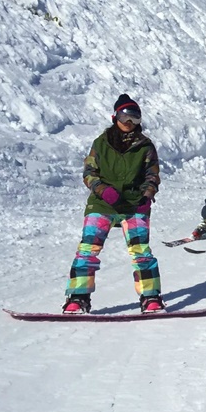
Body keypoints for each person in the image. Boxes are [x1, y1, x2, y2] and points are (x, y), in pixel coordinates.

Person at [62, 93, 164, 314]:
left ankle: (151, 297)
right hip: (102, 204)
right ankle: (78, 298)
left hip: (134, 205)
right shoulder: (101, 144)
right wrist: (102, 190)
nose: (129, 123)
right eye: (125, 116)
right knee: (87, 250)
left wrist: (147, 196)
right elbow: (89, 172)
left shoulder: (145, 146)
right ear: (114, 116)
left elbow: (152, 175)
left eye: (135, 118)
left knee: (141, 252)